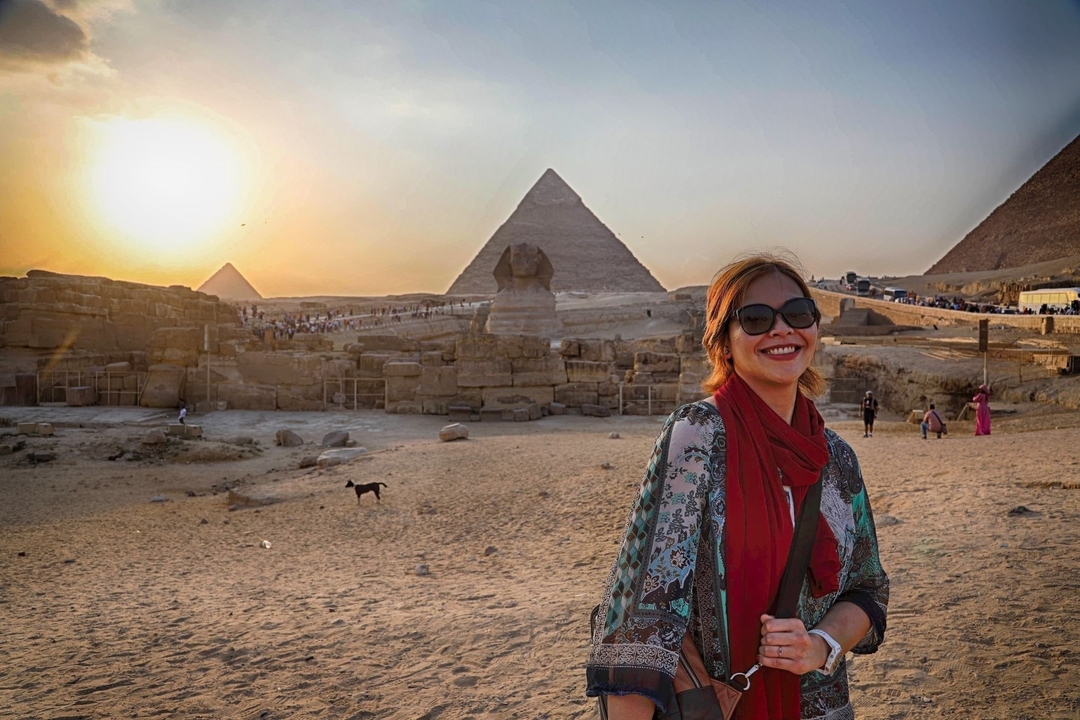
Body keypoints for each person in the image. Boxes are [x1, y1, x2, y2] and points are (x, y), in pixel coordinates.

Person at [586, 253, 889, 720]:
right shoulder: (697, 437)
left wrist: (820, 644)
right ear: (723, 342)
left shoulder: (837, 458)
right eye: (756, 319)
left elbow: (868, 587)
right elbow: (640, 617)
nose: (782, 330)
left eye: (798, 314)